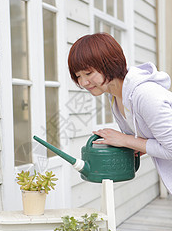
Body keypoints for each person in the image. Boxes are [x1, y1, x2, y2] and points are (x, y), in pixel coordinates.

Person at [68, 32, 172, 193]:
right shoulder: (116, 97)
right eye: (78, 76)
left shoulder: (145, 95)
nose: (83, 82)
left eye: (88, 73)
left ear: (109, 64)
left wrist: (125, 140)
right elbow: (151, 141)